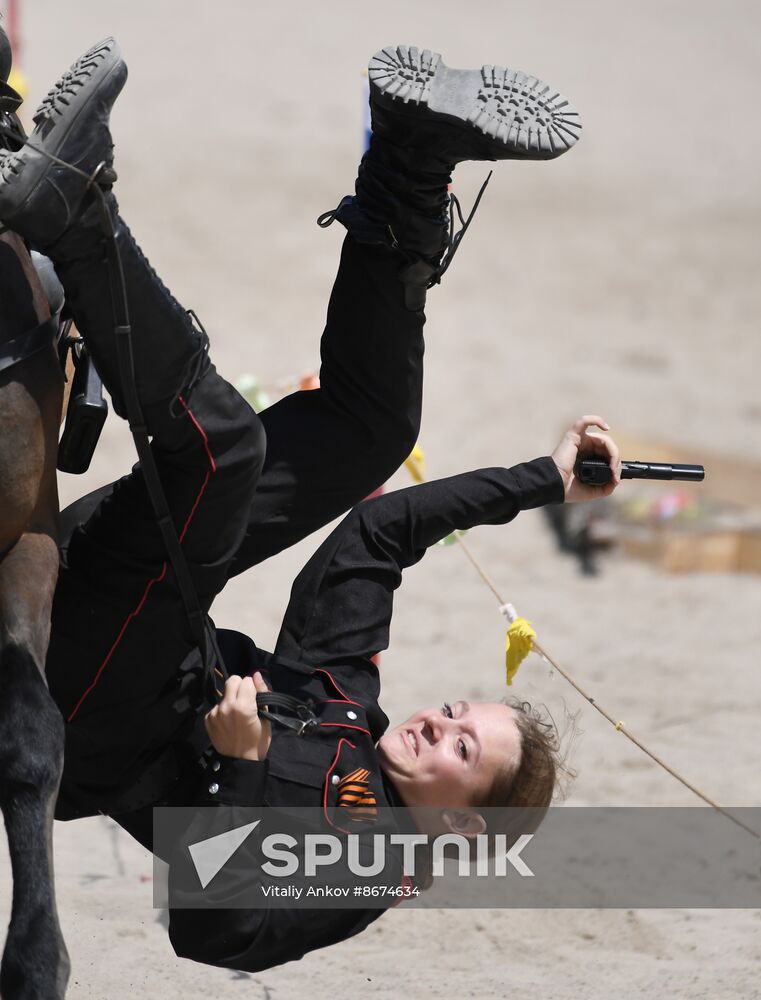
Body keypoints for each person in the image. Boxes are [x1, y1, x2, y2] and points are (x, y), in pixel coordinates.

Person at [0, 39, 619, 972]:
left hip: (84, 708)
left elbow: (217, 936)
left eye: (460, 746)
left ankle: (78, 217)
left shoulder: (362, 869)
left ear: (458, 817)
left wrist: (243, 765)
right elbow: (380, 533)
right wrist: (543, 479)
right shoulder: (346, 709)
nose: (437, 723)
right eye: (456, 710)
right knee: (367, 431)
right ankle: (408, 165)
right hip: (134, 599)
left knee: (228, 456)